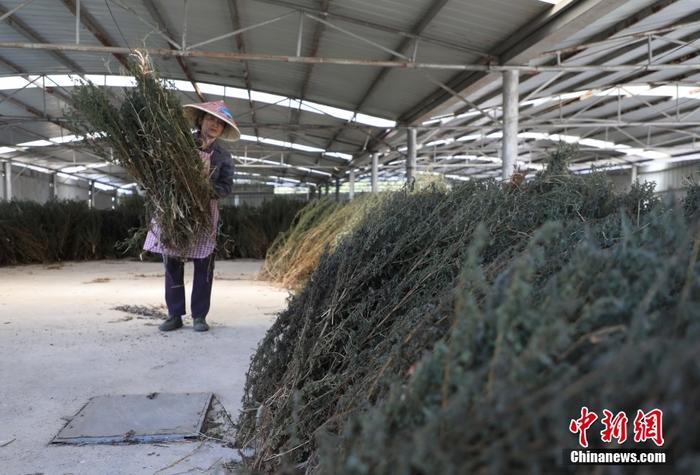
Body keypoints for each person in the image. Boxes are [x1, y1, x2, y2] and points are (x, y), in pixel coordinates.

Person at [143, 100, 239, 332]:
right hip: (175, 208)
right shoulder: (180, 143)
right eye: (210, 119)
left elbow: (226, 187)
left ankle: (199, 316)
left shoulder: (224, 156)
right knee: (172, 261)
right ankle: (174, 314)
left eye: (219, 122)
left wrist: (205, 191)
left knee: (205, 265)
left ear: (223, 129)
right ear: (200, 120)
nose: (214, 124)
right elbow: (161, 169)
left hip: (204, 211)